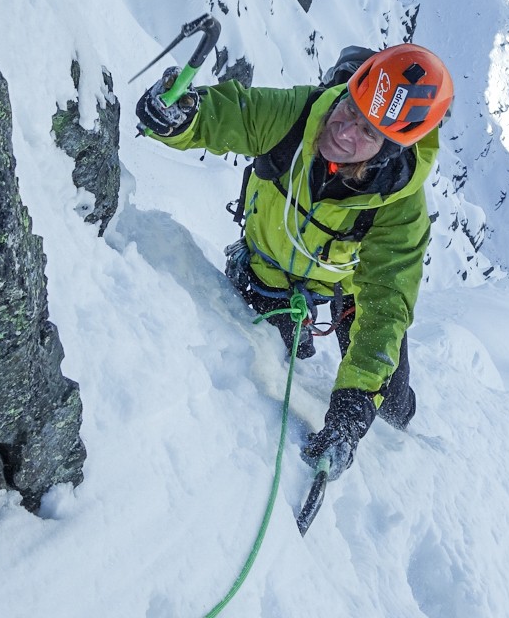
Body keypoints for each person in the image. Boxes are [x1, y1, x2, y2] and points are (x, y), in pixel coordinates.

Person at [136, 43, 454, 478]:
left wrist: (350, 414)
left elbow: (385, 304)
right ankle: (297, 332)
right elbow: (232, 114)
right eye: (349, 107)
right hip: (268, 273)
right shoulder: (300, 116)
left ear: (388, 153)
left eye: (367, 132)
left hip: (349, 292)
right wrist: (179, 117)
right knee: (279, 349)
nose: (342, 131)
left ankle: (392, 412)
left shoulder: (399, 210)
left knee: (391, 404)